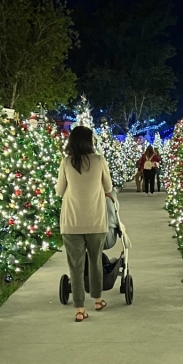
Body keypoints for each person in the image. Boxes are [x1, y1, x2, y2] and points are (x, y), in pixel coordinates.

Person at [56, 126, 113, 322]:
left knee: (76, 266)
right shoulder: (98, 160)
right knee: (96, 261)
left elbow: (59, 190)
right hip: (96, 220)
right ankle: (98, 300)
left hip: (71, 221)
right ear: (89, 141)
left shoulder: (65, 162)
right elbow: (108, 186)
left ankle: (79, 308)